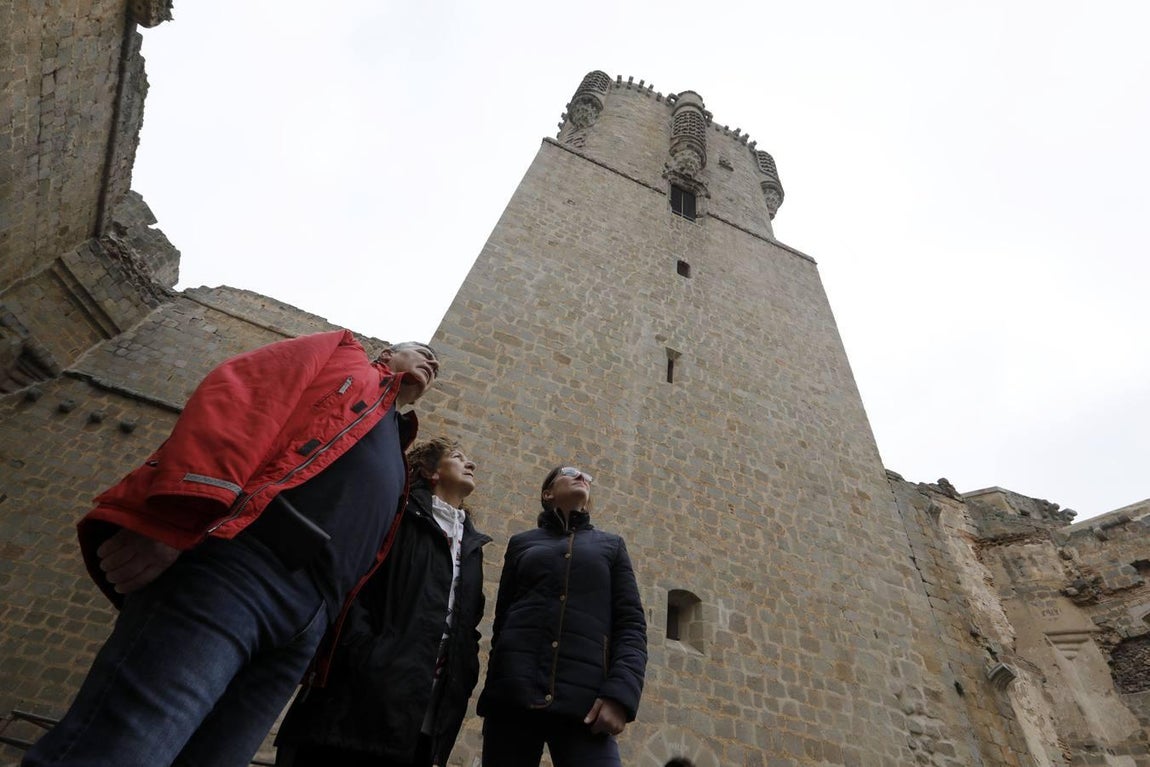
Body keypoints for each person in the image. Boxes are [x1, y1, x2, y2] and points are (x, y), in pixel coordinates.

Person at [23, 330, 440, 767]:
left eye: (437, 366)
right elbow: (242, 397)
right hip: (239, 571)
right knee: (127, 745)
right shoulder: (342, 356)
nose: (432, 363)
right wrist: (176, 515)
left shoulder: (397, 441)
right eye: (423, 352)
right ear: (389, 352)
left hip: (307, 625)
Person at [275, 438, 491, 767]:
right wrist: (366, 652)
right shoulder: (398, 514)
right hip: (356, 701)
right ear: (431, 472)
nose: (470, 464)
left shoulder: (472, 546)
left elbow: (469, 624)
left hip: (426, 716)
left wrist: (464, 672)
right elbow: (355, 579)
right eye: (458, 457)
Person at [477, 465, 647, 767]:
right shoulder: (522, 543)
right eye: (570, 472)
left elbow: (631, 626)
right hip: (514, 700)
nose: (582, 476)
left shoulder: (611, 546)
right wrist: (496, 691)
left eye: (586, 476)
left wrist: (621, 696)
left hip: (586, 706)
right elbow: (504, 621)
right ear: (548, 493)